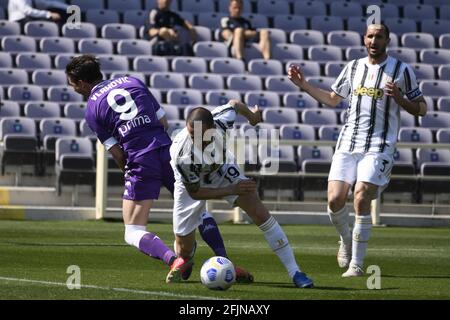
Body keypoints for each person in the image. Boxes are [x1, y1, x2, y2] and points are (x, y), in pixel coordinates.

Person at [65, 55, 252, 282]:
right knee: (199, 212)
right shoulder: (132, 81)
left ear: (83, 83)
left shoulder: (92, 109)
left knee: (132, 230)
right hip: (167, 150)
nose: (72, 88)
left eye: (72, 84)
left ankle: (174, 260)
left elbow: (117, 153)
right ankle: (225, 261)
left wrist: (131, 173)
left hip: (139, 159)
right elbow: (163, 122)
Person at [288, 24, 427, 277]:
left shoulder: (401, 70)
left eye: (379, 36)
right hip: (348, 143)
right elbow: (332, 98)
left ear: (388, 40)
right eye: (370, 36)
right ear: (365, 40)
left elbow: (422, 109)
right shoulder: (352, 68)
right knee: (334, 199)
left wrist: (400, 98)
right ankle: (346, 240)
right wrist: (304, 85)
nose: (374, 40)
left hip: (379, 145)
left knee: (361, 196)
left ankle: (357, 265)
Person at [166, 99, 314, 288]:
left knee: (260, 213)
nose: (194, 139)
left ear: (212, 128)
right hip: (190, 183)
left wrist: (252, 117)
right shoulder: (182, 155)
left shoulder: (220, 120)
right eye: (191, 133)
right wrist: (231, 190)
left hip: (222, 168)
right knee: (184, 250)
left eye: (200, 135)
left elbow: (234, 104)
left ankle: (295, 272)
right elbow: (195, 193)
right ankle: (187, 256)